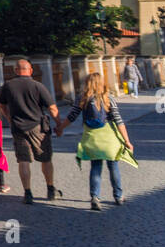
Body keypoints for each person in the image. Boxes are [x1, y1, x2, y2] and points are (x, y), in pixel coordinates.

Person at [57, 71, 137, 210]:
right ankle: (118, 196)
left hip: (92, 138)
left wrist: (60, 128)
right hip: (110, 139)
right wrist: (127, 141)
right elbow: (118, 121)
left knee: (96, 167)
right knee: (113, 167)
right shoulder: (108, 98)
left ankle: (95, 196)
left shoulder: (82, 99)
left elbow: (72, 116)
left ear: (87, 83)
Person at [0, 58, 61, 205]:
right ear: (30, 70)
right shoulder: (38, 86)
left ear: (15, 70)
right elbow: (52, 108)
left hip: (18, 128)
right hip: (38, 127)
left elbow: (2, 105)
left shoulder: (8, 86)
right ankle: (50, 189)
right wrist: (59, 124)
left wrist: (9, 118)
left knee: (23, 160)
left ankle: (27, 193)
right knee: (45, 158)